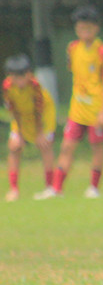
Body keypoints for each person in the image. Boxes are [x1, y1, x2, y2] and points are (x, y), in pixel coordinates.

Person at [38, 5, 103, 199]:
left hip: (96, 109)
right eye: (80, 28)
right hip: (77, 110)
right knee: (66, 147)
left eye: (88, 28)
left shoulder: (102, 51)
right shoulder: (72, 48)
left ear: (96, 28)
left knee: (97, 148)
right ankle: (57, 188)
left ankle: (94, 188)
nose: (84, 32)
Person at [3, 54, 57, 201]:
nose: (20, 81)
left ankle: (49, 187)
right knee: (14, 147)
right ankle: (14, 189)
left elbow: (38, 110)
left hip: (43, 115)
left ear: (29, 74)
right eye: (16, 77)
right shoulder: (7, 87)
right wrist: (19, 133)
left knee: (45, 146)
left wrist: (40, 134)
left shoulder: (35, 86)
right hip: (22, 116)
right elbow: (13, 110)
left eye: (23, 76)